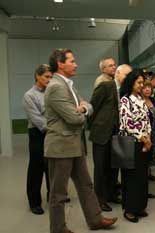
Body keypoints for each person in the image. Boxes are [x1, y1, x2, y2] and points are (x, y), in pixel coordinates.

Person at [45, 48, 117, 233]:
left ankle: (95, 220)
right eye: (72, 61)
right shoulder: (56, 87)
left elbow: (88, 105)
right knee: (59, 193)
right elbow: (74, 118)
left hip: (75, 144)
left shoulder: (68, 84)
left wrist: (82, 108)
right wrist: (82, 110)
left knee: (86, 185)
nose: (76, 64)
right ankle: (58, 228)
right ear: (60, 64)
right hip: (60, 146)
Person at [119, 69, 152, 223]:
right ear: (131, 83)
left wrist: (148, 136)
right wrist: (142, 138)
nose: (141, 85)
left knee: (142, 176)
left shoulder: (140, 99)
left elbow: (146, 120)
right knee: (131, 177)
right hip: (131, 143)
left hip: (144, 142)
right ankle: (130, 209)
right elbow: (127, 122)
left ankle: (140, 206)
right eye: (138, 83)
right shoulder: (126, 100)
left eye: (142, 82)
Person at [88, 58, 121, 212]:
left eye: (114, 65)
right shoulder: (103, 84)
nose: (113, 67)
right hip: (101, 133)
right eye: (110, 65)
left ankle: (111, 194)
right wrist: (98, 126)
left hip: (114, 131)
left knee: (113, 166)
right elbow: (92, 107)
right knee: (101, 169)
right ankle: (99, 200)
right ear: (103, 69)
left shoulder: (114, 83)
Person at [23, 64, 52, 215]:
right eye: (46, 76)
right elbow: (37, 120)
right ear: (37, 76)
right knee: (37, 167)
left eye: (51, 77)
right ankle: (34, 202)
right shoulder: (29, 95)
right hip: (38, 134)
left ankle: (52, 196)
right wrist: (54, 129)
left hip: (52, 133)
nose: (49, 79)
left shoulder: (51, 92)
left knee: (51, 166)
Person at [141, 80, 155, 187]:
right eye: (145, 87)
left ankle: (148, 173)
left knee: (151, 155)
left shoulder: (152, 100)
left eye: (149, 87)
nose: (148, 89)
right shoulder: (139, 102)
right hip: (145, 134)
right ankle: (143, 177)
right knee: (145, 156)